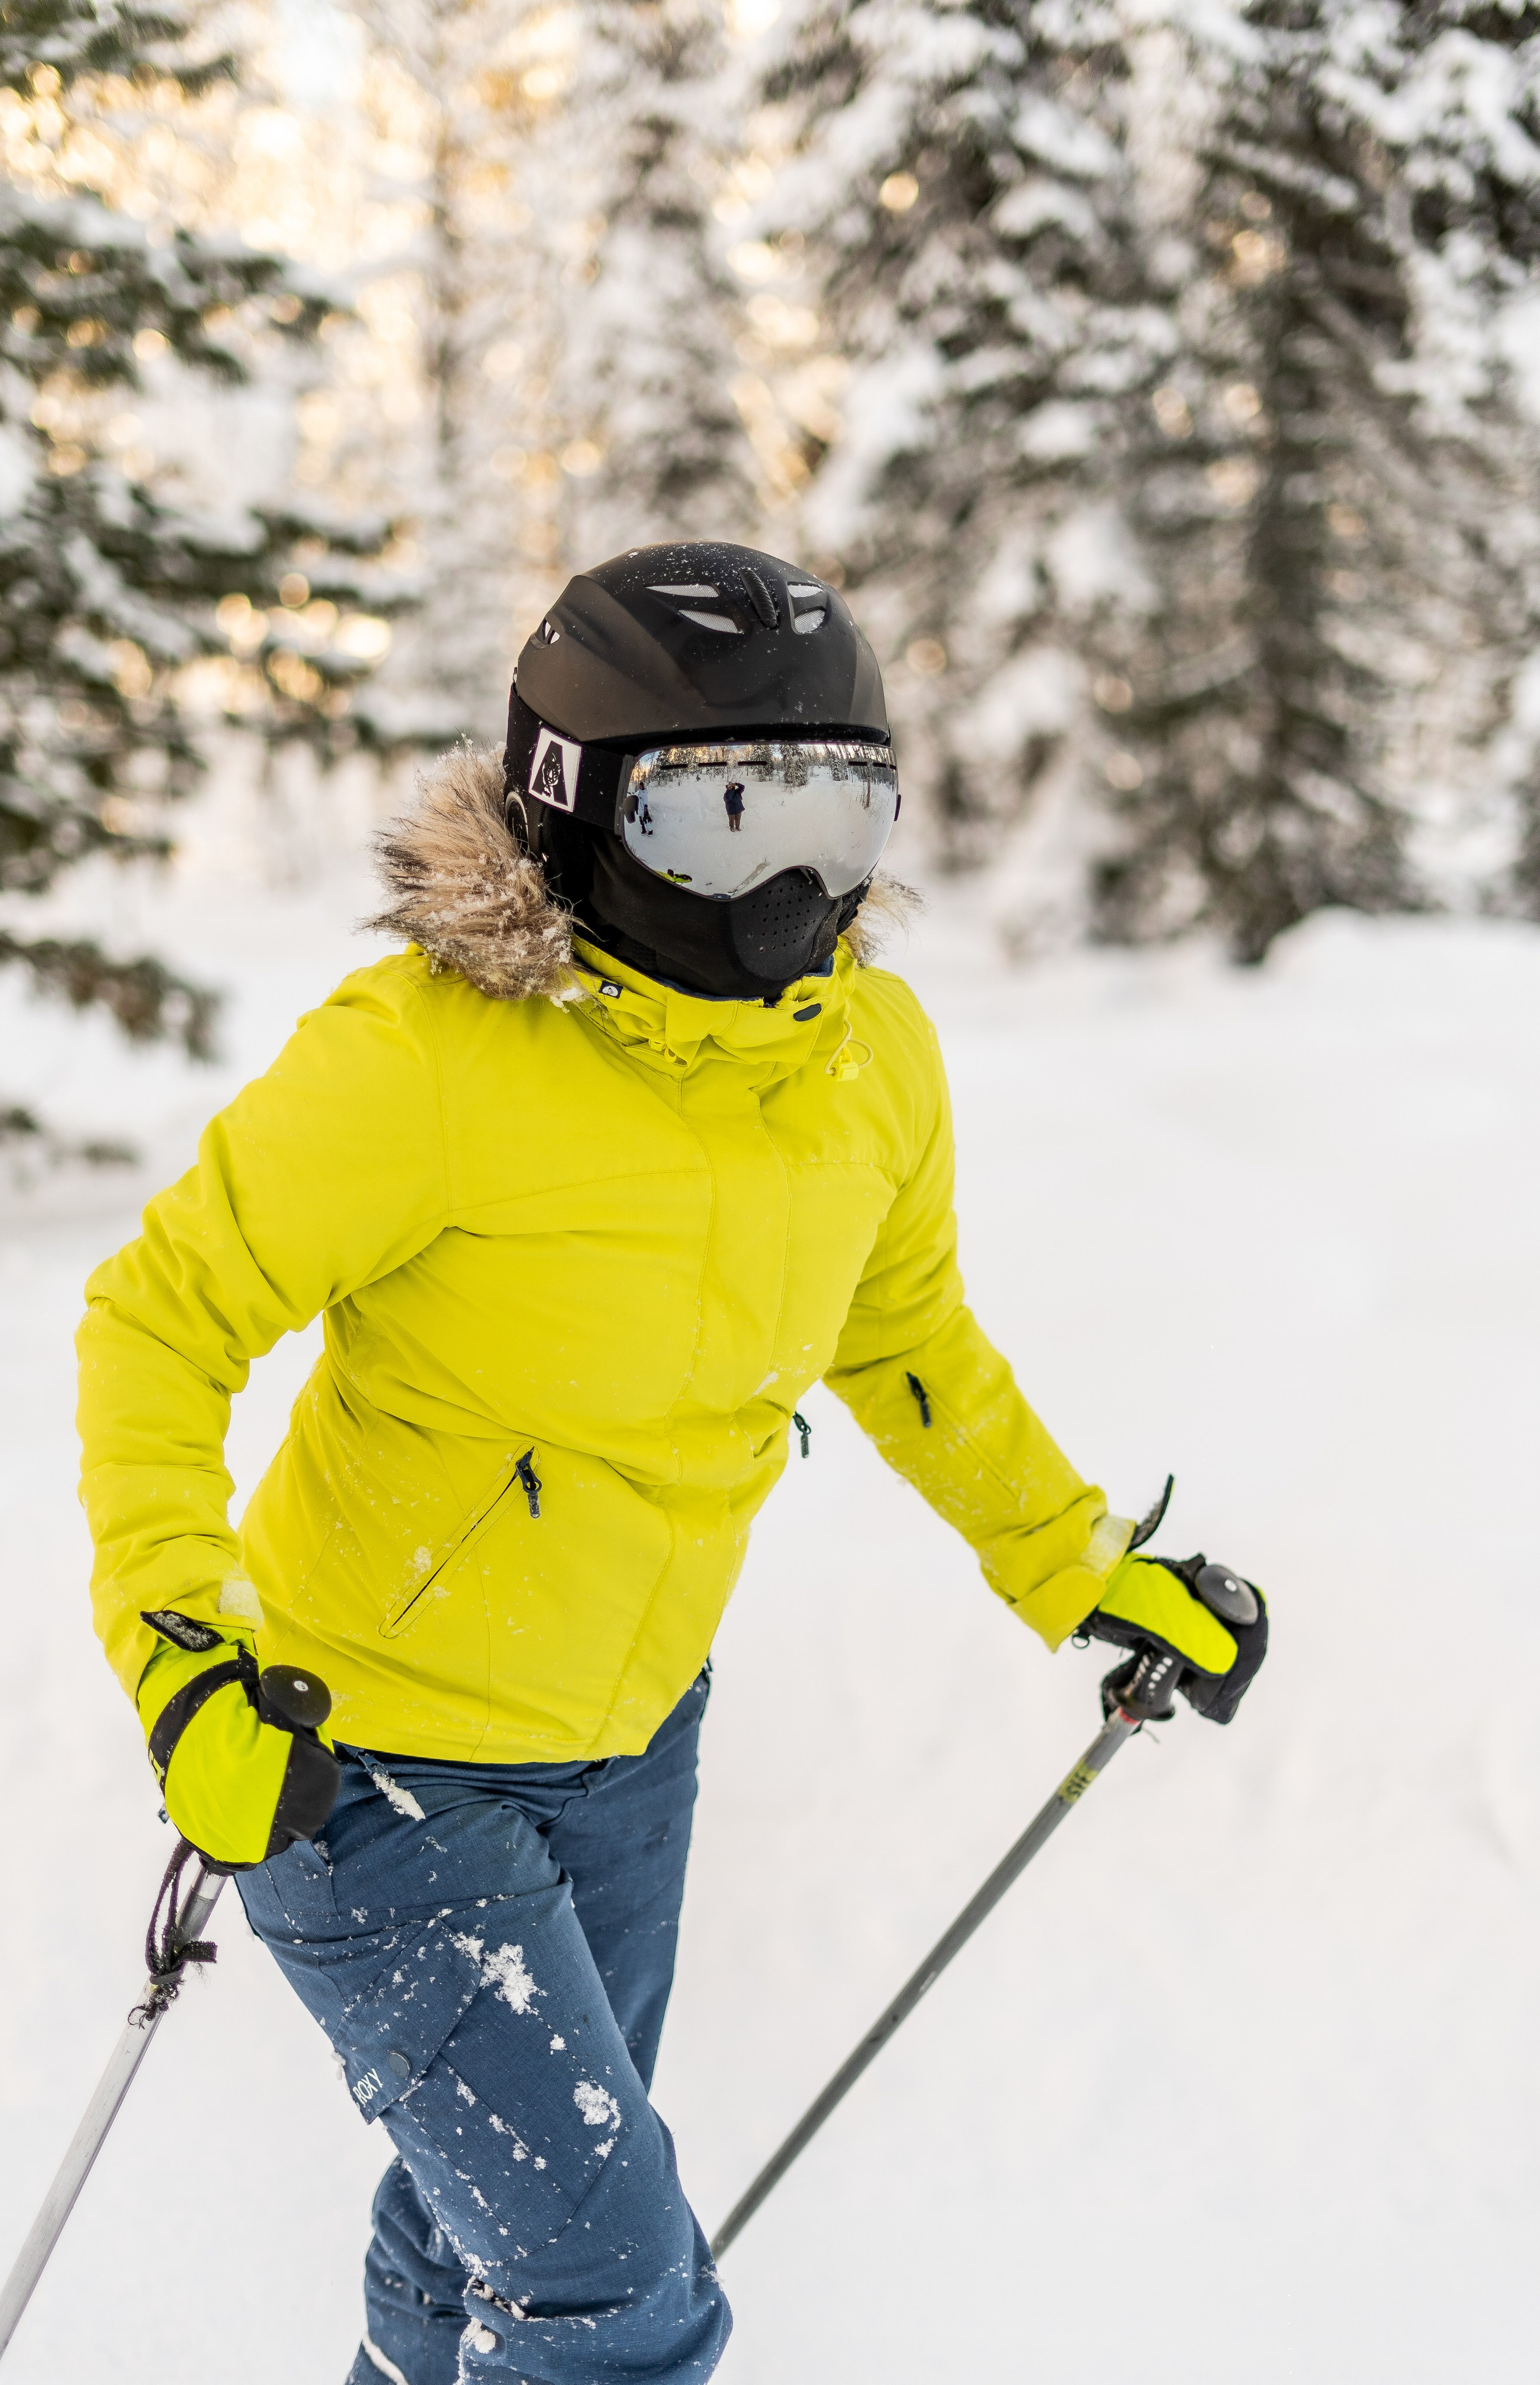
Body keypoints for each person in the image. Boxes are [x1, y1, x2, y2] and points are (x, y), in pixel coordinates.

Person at [76, 540, 1267, 2385]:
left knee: (491, 2209)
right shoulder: (426, 1062)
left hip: (635, 1738)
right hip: (357, 1757)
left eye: (838, 817)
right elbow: (161, 1318)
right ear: (576, 812)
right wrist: (179, 1652)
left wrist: (1077, 1560)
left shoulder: (865, 1054)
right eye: (725, 823)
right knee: (617, 2301)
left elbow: (906, 1341)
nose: (795, 889)